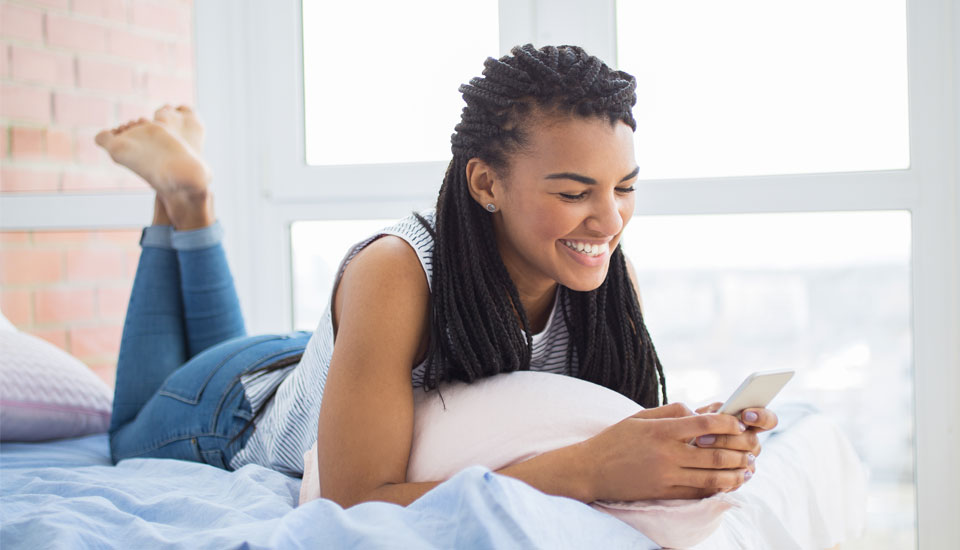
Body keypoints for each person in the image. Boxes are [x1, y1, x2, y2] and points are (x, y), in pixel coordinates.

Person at [99, 44, 778, 509]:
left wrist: (686, 440)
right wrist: (590, 469)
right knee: (124, 430)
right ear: (485, 182)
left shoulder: (592, 277)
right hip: (229, 413)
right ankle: (187, 197)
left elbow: (596, 419)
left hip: (316, 365)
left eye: (623, 188)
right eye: (575, 193)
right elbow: (353, 500)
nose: (609, 221)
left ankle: (184, 194)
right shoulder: (397, 271)